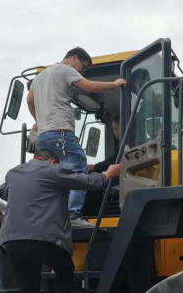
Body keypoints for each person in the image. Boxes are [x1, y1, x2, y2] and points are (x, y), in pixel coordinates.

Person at [0, 147, 121, 293]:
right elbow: (90, 183)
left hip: (12, 241)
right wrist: (107, 174)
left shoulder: (13, 173)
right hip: (43, 238)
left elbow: (2, 191)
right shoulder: (53, 171)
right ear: (53, 160)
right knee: (65, 268)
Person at [27, 47, 126, 228]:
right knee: (79, 169)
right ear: (73, 58)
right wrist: (114, 84)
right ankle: (73, 215)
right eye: (83, 66)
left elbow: (30, 101)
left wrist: (38, 121)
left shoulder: (39, 78)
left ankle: (54, 215)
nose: (81, 71)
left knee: (54, 174)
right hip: (62, 133)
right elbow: (89, 86)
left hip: (44, 137)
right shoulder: (65, 70)